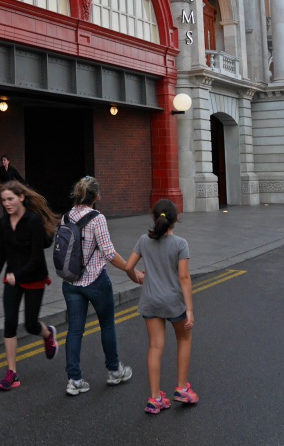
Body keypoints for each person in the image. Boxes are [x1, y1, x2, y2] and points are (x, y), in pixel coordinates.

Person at [60, 176, 133, 397]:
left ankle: (74, 380)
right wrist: (131, 270)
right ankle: (114, 371)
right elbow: (109, 253)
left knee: (75, 330)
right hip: (95, 281)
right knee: (107, 324)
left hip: (70, 282)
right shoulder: (98, 218)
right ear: (97, 196)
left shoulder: (66, 216)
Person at [0, 181, 59, 392]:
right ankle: (12, 372)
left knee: (31, 325)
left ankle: (48, 335)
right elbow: (1, 253)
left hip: (34, 277)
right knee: (9, 321)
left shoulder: (33, 221)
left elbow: (36, 257)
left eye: (10, 199)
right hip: (12, 279)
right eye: (4, 200)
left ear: (21, 198)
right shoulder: (3, 223)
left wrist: (17, 274)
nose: (6, 203)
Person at [124, 198, 198, 414]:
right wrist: (190, 310)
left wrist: (137, 277)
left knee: (155, 347)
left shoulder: (143, 241)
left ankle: (155, 398)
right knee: (184, 339)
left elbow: (129, 266)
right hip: (174, 302)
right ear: (176, 220)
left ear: (154, 218)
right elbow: (184, 278)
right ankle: (182, 388)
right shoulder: (180, 244)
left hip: (151, 301)